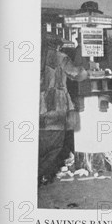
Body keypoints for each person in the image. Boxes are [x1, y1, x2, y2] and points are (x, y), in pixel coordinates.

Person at [38, 33, 88, 185]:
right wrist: (87, 71)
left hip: (36, 105)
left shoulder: (35, 55)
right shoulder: (61, 57)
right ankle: (42, 174)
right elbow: (77, 74)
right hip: (55, 104)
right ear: (58, 45)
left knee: (40, 141)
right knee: (55, 144)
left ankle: (36, 173)